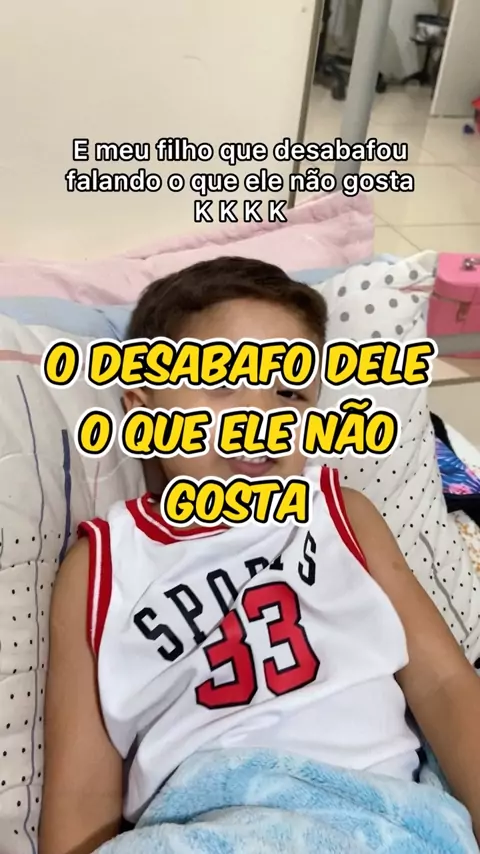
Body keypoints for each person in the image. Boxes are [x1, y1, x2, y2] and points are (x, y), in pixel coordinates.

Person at [40, 258, 480, 854]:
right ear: (143, 405)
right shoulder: (101, 567)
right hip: (207, 828)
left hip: (382, 818)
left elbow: (446, 685)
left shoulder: (342, 515)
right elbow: (80, 799)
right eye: (223, 382)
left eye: (289, 393)